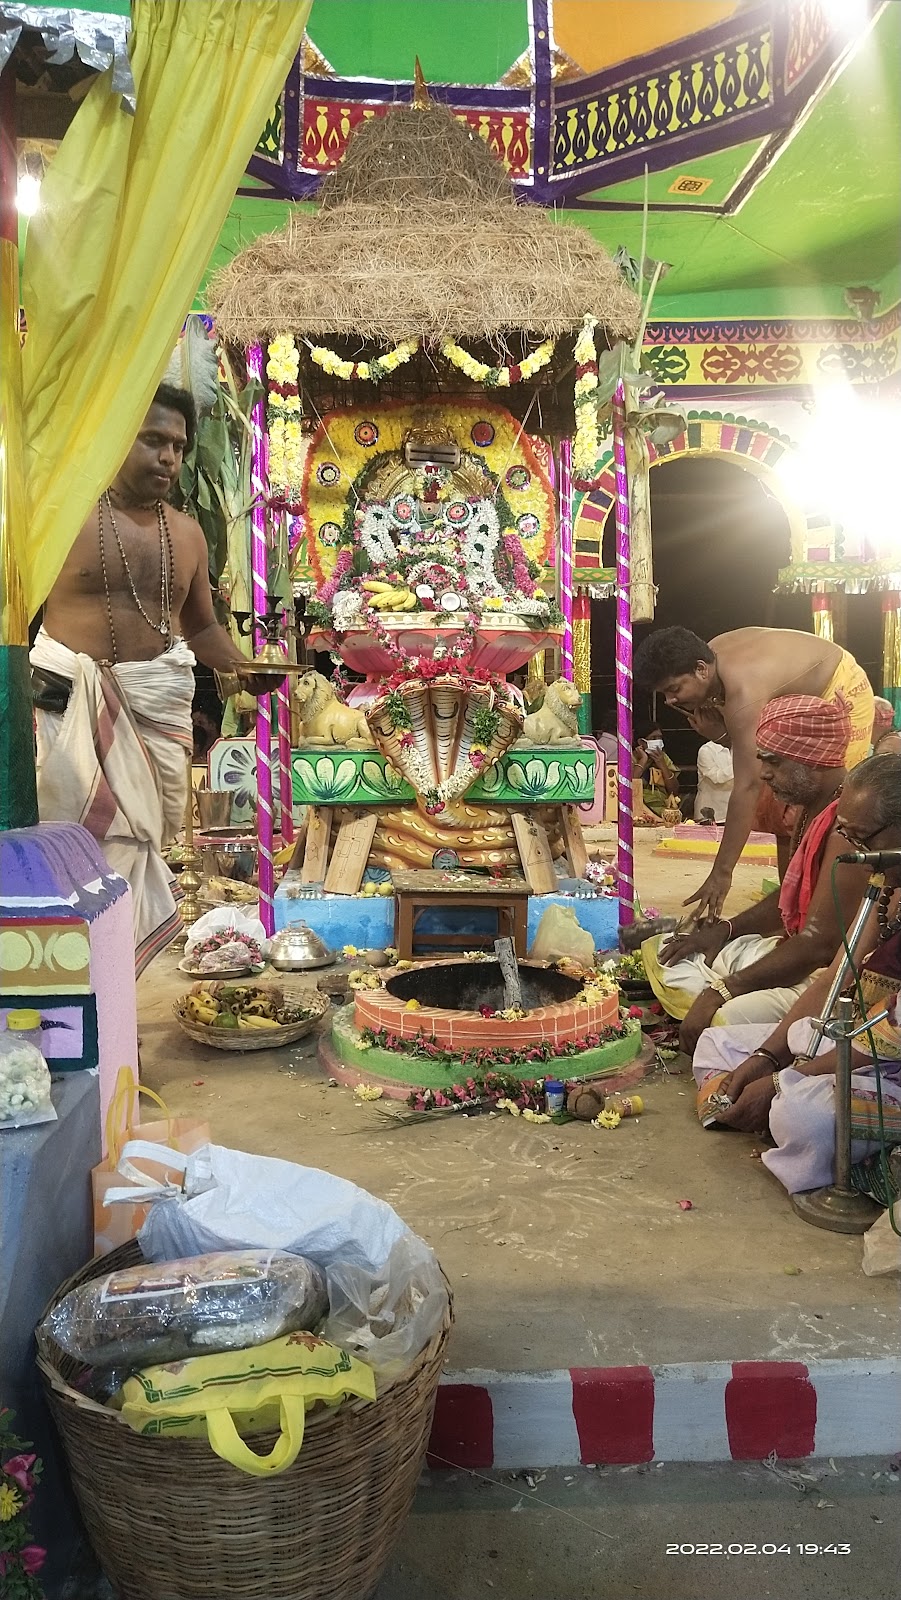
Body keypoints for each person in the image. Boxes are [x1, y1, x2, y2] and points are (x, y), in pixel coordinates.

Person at [31, 385, 268, 973]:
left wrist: (244, 667)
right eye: (153, 441)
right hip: (67, 711)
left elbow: (202, 628)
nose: (169, 457)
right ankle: (69, 984)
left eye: (179, 447)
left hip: (154, 710)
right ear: (115, 438)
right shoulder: (57, 515)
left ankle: (115, 995)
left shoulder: (186, 533)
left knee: (137, 848)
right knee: (72, 853)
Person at [691, 755, 901, 1196]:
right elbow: (834, 978)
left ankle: (851, 1161)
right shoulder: (887, 886)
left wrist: (792, 1078)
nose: (854, 852)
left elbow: (892, 1034)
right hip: (859, 1044)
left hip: (889, 1054)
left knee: (804, 1115)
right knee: (721, 1044)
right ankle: (763, 1109)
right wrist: (767, 1058)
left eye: (860, 838)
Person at [643, 694, 869, 1051]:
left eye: (774, 762)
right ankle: (709, 992)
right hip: (793, 951)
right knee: (664, 947)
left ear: (813, 759)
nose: (763, 773)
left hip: (826, 979)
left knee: (726, 1018)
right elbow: (788, 897)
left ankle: (714, 1005)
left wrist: (722, 990)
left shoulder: (848, 826)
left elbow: (818, 945)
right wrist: (725, 930)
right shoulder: (810, 808)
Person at [633, 625, 874, 920]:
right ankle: (793, 907)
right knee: (776, 807)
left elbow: (748, 785)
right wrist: (722, 736)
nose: (670, 701)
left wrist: (721, 873)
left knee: (828, 809)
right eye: (664, 694)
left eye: (674, 689)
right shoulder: (710, 661)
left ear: (700, 670)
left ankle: (828, 916)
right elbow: (745, 748)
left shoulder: (742, 693)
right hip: (790, 705)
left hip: (840, 688)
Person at [694, 738, 733, 823]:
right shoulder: (706, 750)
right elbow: (716, 777)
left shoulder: (741, 749)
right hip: (710, 813)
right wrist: (742, 765)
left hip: (734, 812)